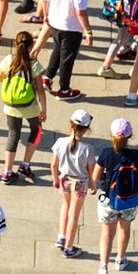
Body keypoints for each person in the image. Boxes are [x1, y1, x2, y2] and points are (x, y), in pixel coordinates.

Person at [89, 118, 138, 274]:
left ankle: (103, 267)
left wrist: (94, 187)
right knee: (125, 229)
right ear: (130, 136)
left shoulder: (106, 153)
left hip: (108, 199)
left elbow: (95, 177)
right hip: (130, 200)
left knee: (107, 234)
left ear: (111, 134)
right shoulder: (136, 155)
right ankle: (120, 260)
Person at [36, 0, 94, 101]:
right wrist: (88, 31)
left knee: (57, 50)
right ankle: (64, 90)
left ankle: (47, 78)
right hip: (71, 29)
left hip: (54, 24)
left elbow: (45, 0)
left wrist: (46, 16)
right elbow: (80, 13)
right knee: (67, 59)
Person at [0, 32, 46, 184]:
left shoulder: (8, 60)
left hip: (10, 106)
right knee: (37, 130)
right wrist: (44, 110)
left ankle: (7, 172)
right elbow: (41, 90)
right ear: (31, 46)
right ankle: (25, 165)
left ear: (16, 45)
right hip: (29, 106)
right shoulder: (34, 65)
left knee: (13, 134)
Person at [49, 109, 95, 259]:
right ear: (87, 129)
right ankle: (69, 247)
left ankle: (61, 236)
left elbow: (54, 165)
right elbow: (92, 170)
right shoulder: (88, 149)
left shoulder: (60, 142)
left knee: (65, 206)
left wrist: (55, 179)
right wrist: (94, 185)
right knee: (74, 215)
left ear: (70, 124)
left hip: (64, 179)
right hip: (80, 182)